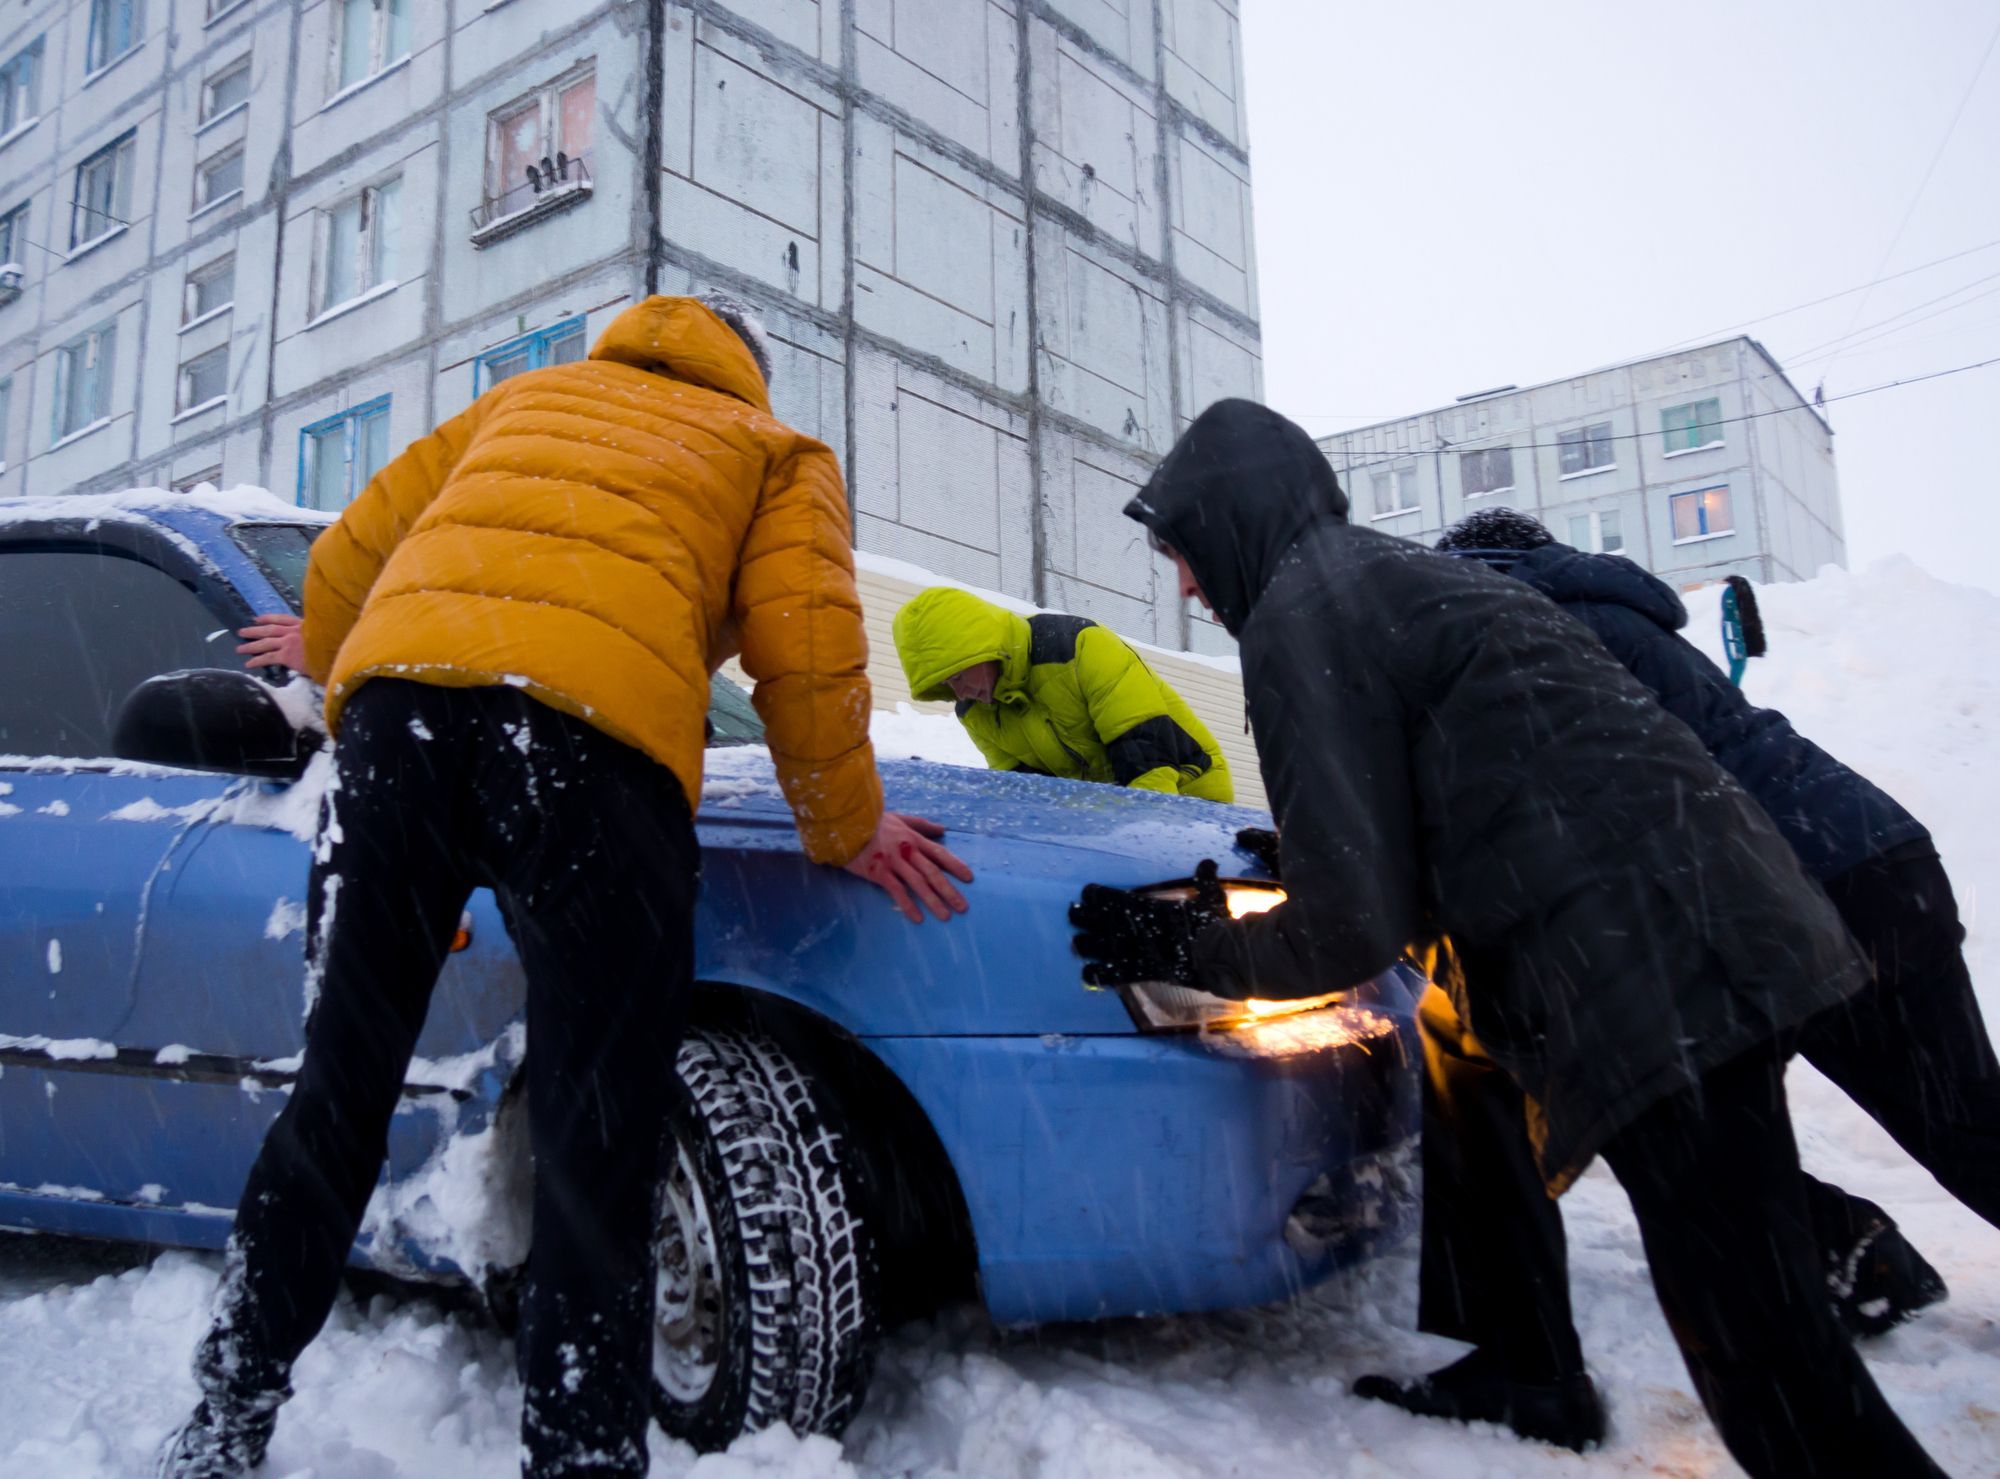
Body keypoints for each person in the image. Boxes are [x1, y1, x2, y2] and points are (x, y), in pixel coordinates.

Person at [160, 293, 974, 1478]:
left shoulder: (524, 399)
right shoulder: (770, 452)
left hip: (402, 729)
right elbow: (808, 638)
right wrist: (842, 823)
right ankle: (580, 1459)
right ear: (747, 377)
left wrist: (347, 662)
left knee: (339, 1093)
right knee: (598, 1139)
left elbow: (343, 562)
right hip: (593, 763)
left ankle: (224, 1418)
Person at [1072, 398, 1946, 1477]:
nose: (1187, 586)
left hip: (1655, 973)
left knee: (1765, 1364)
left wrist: (1183, 948)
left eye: (1184, 554)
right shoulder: (1378, 579)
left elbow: (1352, 927)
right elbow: (1488, 783)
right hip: (1703, 928)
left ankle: (1546, 1371)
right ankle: (1525, 1367)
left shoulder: (1304, 617)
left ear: (1229, 522)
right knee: (1469, 1064)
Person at [1421, 506, 1990, 1335]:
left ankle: (1846, 1245)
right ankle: (1849, 1248)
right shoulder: (1618, 612)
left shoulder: (1524, 628)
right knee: (1969, 1118)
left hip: (1771, 892)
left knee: (1668, 1122)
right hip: (1876, 853)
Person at [892, 585, 1233, 801]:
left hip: (1191, 793)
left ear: (984, 649)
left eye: (958, 674)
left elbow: (1148, 759)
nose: (960, 691)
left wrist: (1143, 837)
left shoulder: (1081, 647)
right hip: (1111, 814)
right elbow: (1029, 795)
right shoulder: (974, 713)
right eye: (948, 684)